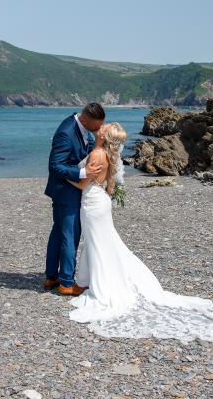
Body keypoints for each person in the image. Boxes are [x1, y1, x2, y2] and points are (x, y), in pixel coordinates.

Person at [67, 122, 213, 341]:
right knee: (101, 242)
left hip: (92, 203)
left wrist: (63, 176)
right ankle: (87, 279)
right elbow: (110, 186)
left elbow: (81, 185)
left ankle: (97, 283)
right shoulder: (108, 156)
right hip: (101, 201)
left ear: (106, 136)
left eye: (104, 128)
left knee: (97, 243)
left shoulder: (97, 155)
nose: (101, 127)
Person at [44, 103, 105, 296]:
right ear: (86, 119)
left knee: (58, 233)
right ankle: (66, 283)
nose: (98, 129)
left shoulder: (82, 126)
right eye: (96, 126)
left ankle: (51, 276)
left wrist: (95, 145)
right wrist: (83, 172)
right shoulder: (66, 132)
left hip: (65, 189)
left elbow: (79, 152)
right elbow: (55, 165)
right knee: (70, 236)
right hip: (65, 190)